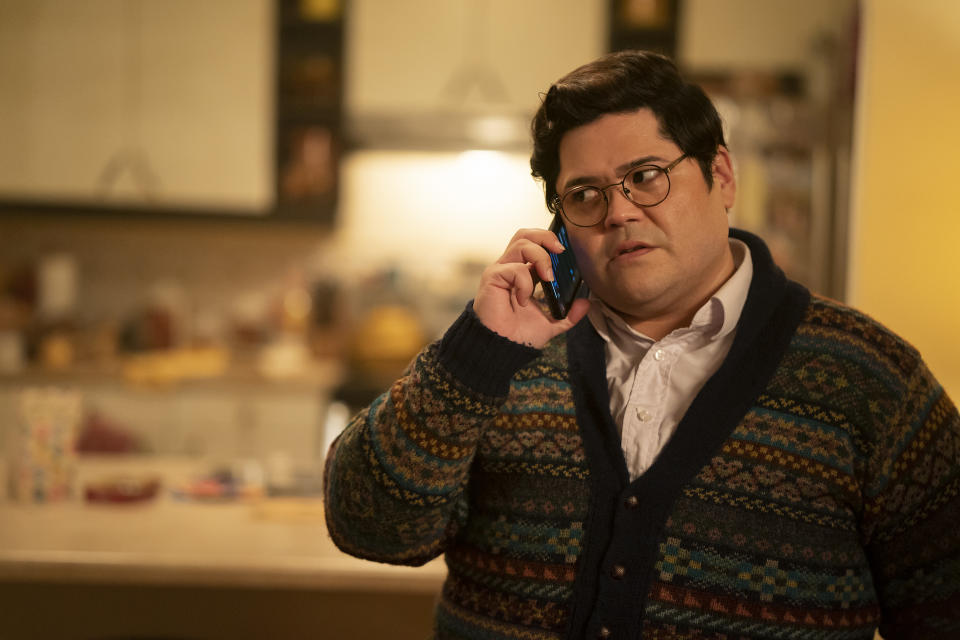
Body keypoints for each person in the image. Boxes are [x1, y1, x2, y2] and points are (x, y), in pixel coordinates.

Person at [323, 50, 960, 639]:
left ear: (722, 175)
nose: (619, 212)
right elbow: (369, 529)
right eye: (585, 194)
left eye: (647, 176)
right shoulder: (500, 360)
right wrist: (476, 354)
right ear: (559, 222)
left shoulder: (872, 379)